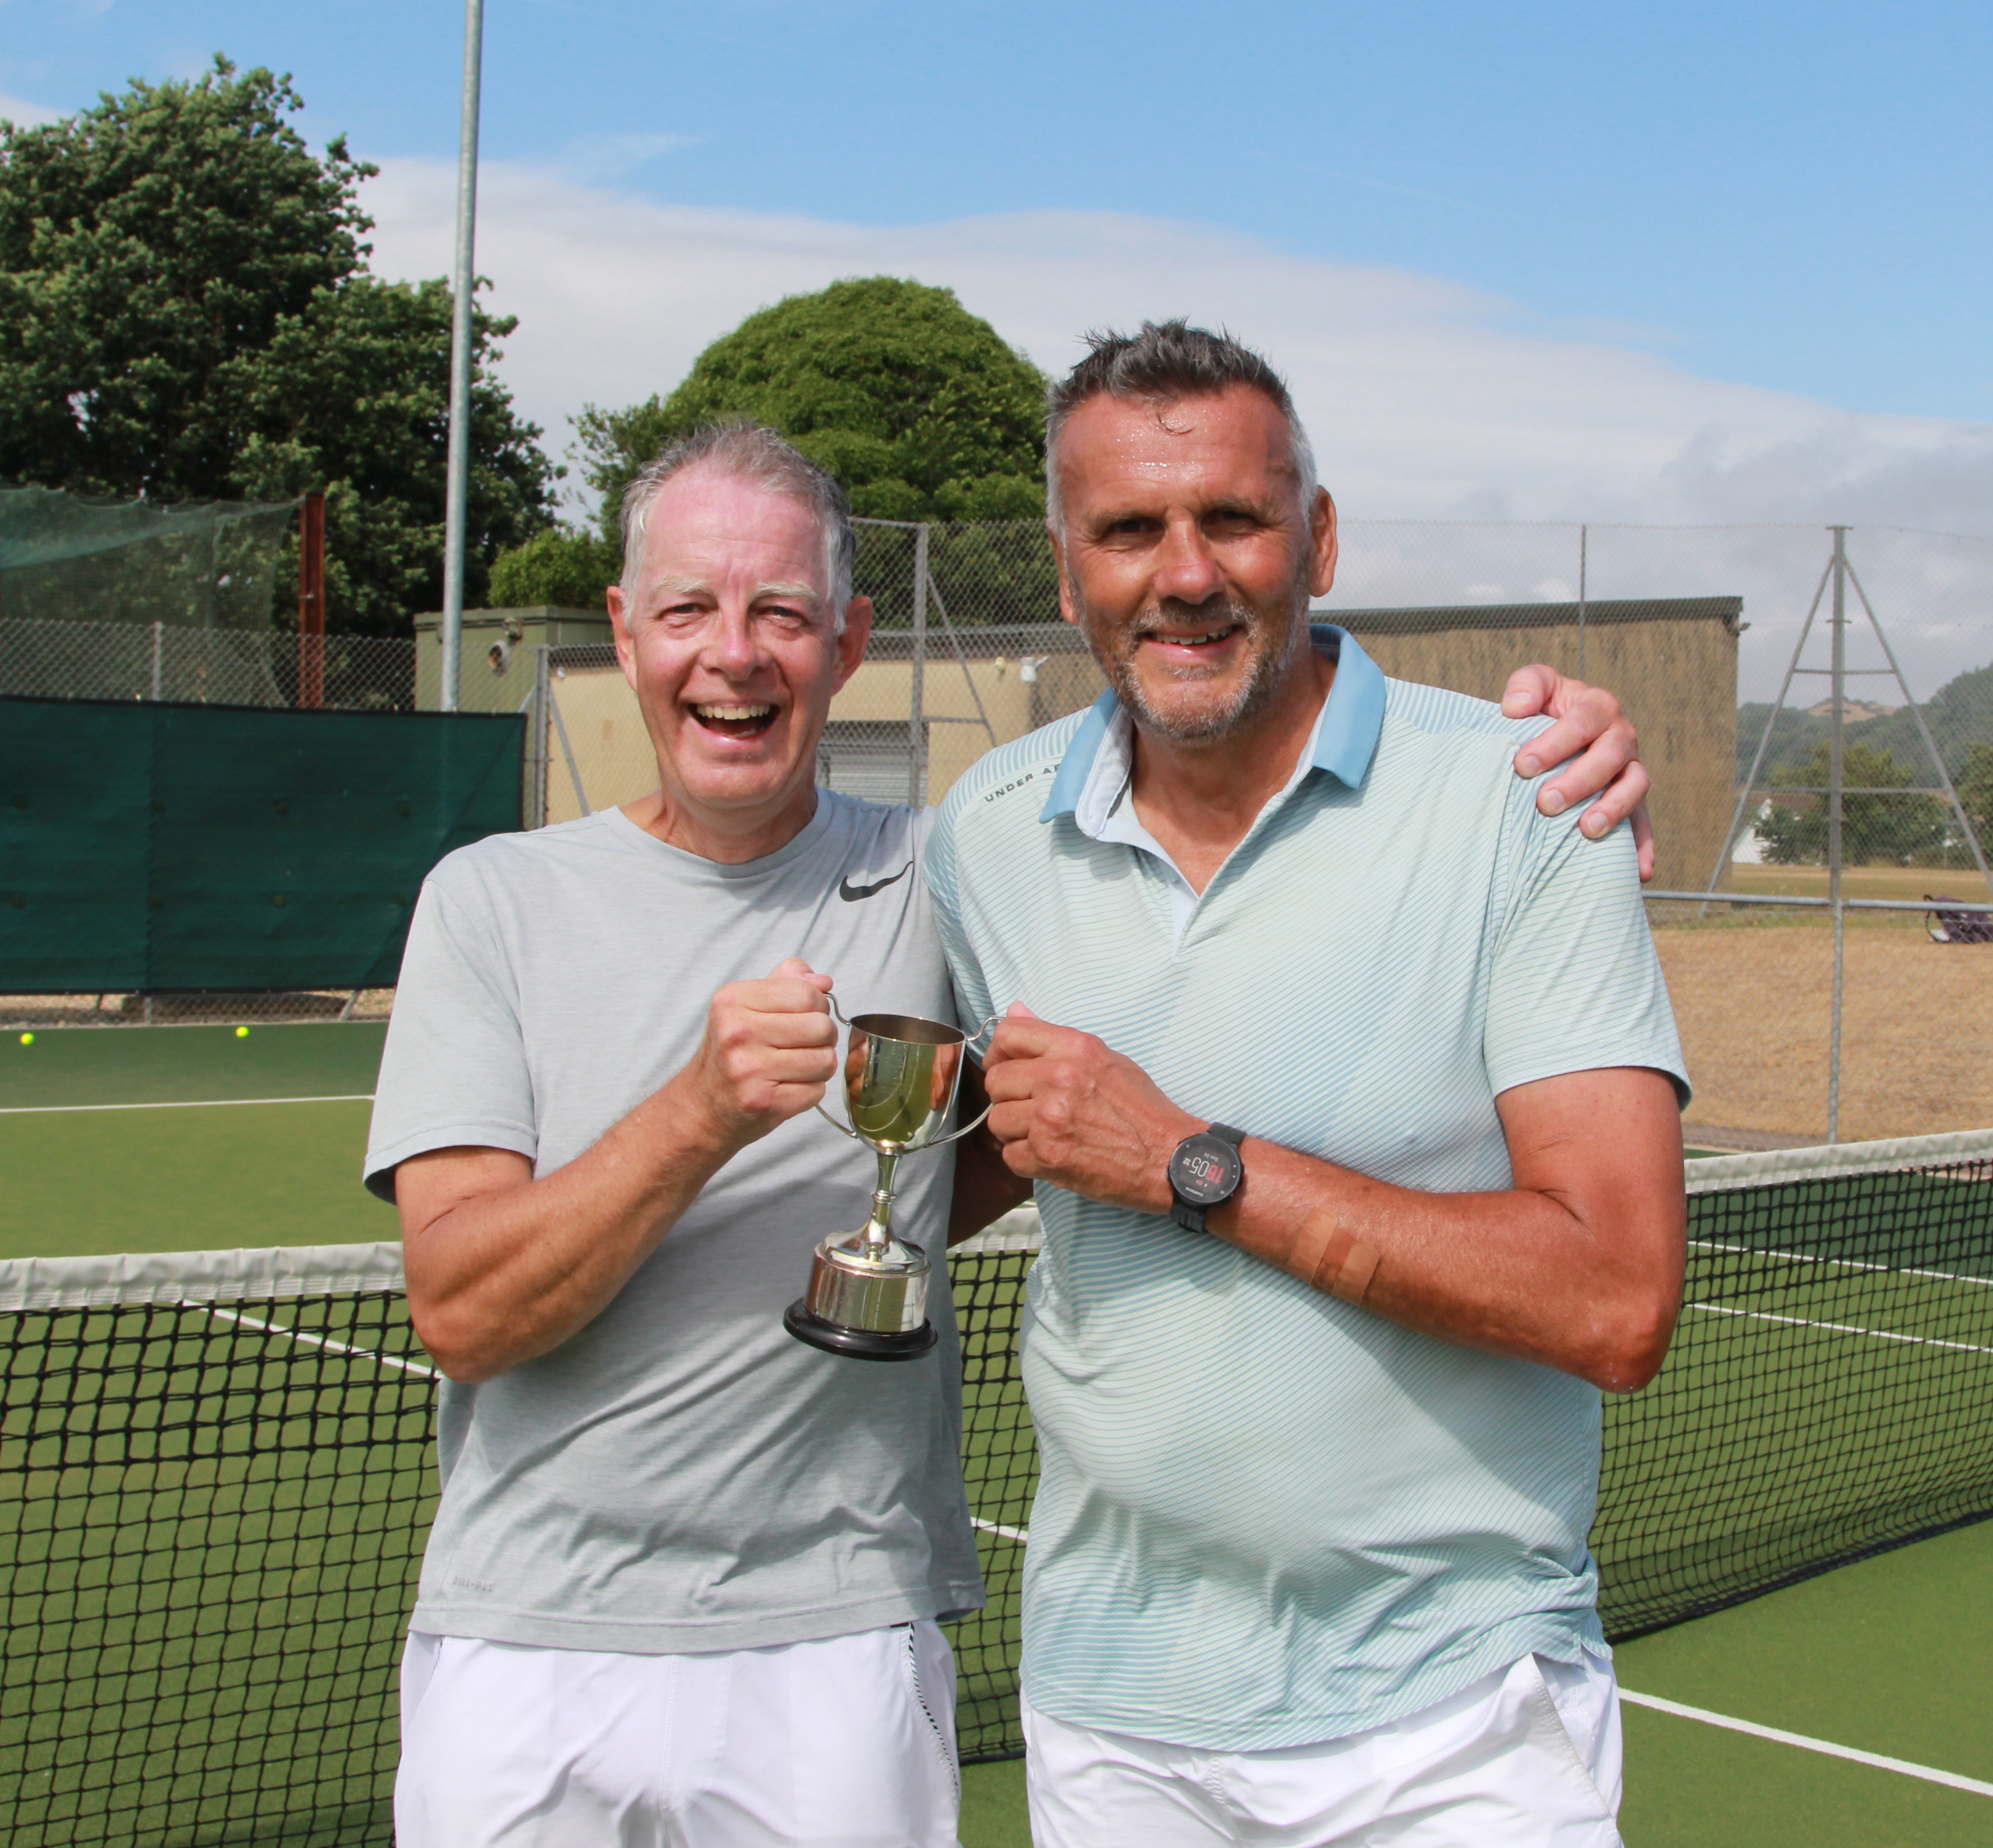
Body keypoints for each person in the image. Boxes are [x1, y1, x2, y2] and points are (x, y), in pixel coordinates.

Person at [360, 417, 1657, 1847]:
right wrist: (696, 1109)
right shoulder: (487, 900)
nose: (734, 652)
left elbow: (1034, 1100)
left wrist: (1550, 751)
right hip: (521, 1642)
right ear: (624, 629)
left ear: (847, 641)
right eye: (686, 610)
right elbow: (462, 1307)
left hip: (842, 1635)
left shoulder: (963, 862)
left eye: (782, 613)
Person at [924, 323, 1687, 1846]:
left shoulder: (1526, 801)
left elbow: (1617, 1303)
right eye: (1130, 530)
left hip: (1458, 1731)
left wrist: (1189, 1162)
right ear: (1071, 570)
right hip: (1111, 1730)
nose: (1186, 573)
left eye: (1235, 519)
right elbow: (954, 1167)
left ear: (1318, 537)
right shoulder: (983, 836)